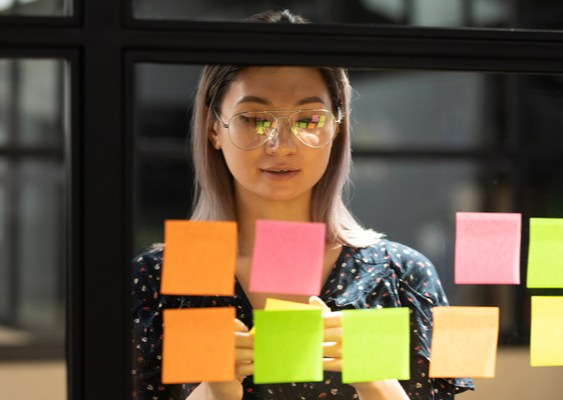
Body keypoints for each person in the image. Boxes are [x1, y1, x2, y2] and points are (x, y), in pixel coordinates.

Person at [132, 9, 474, 400]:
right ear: (214, 127)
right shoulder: (155, 282)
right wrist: (214, 391)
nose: (281, 144)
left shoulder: (404, 276)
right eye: (254, 118)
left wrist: (376, 382)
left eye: (309, 119)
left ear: (338, 125)